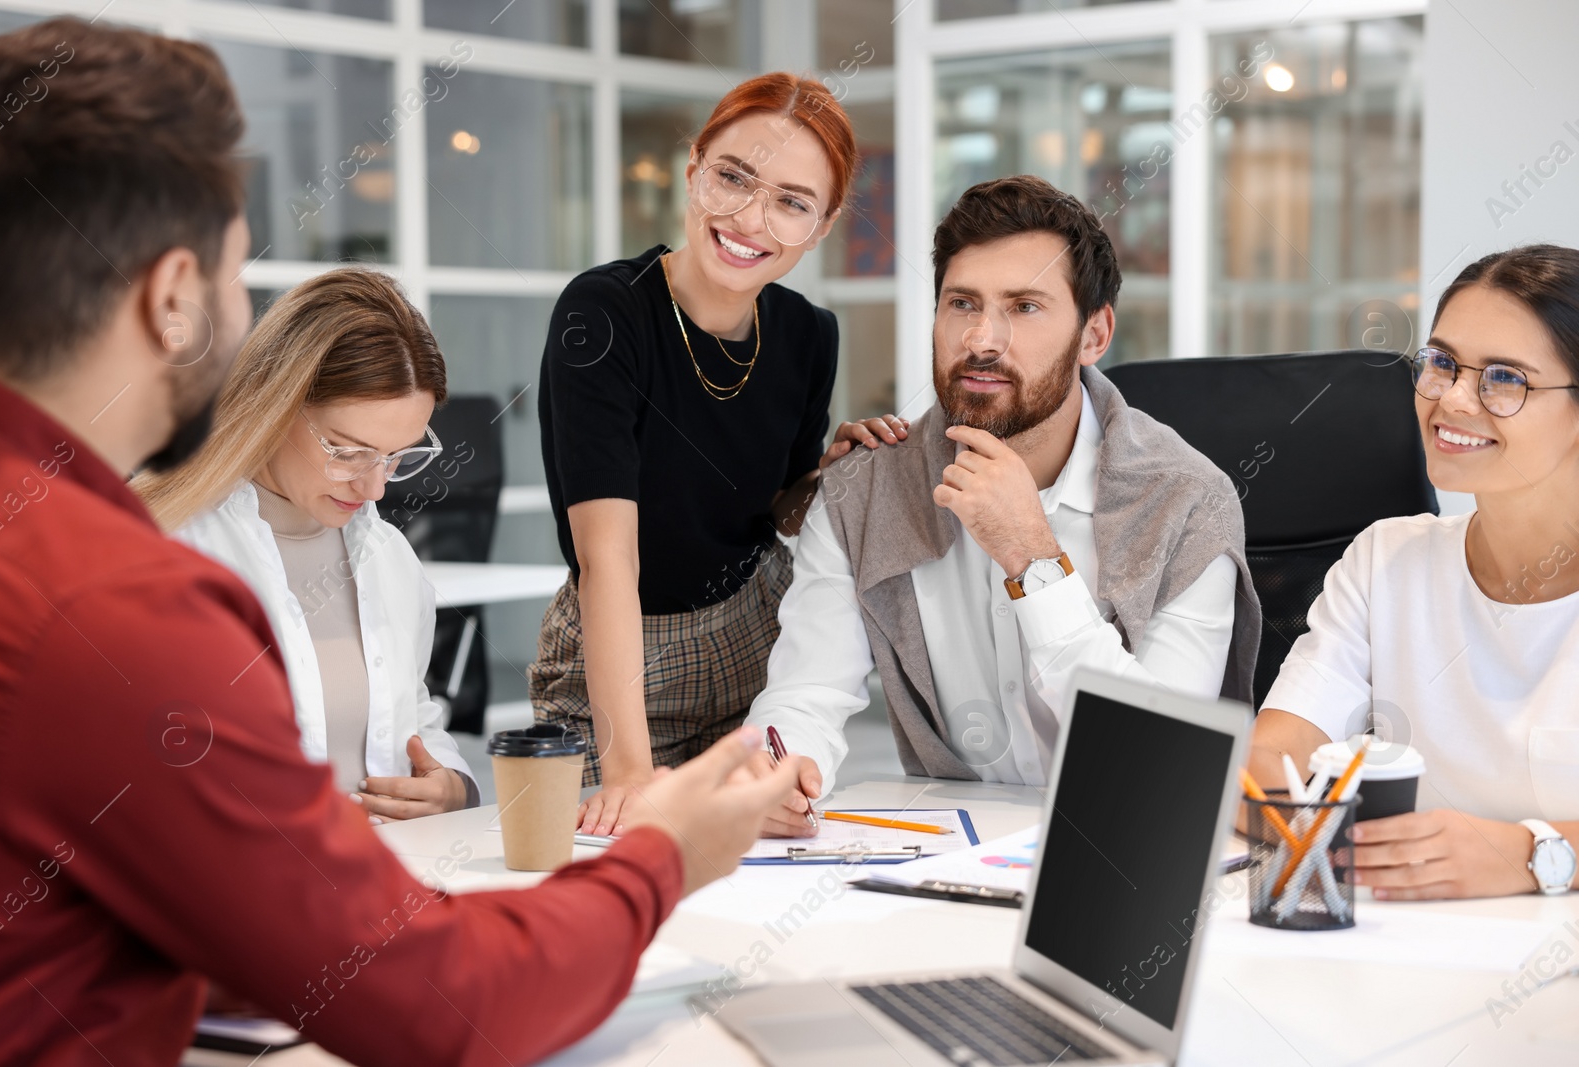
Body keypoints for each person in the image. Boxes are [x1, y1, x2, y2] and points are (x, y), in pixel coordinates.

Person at [0, 17, 802, 1064]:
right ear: (173, 296)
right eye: (239, 275)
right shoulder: (110, 602)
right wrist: (660, 857)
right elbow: (441, 1004)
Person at [745, 175, 1263, 834]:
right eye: (962, 302)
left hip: (1121, 871)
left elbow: (1160, 768)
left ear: (1094, 334)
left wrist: (1034, 558)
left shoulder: (1187, 503)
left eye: (1024, 307)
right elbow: (806, 694)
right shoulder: (863, 490)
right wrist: (779, 772)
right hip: (938, 867)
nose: (983, 339)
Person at [535, 71, 906, 836]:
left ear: (822, 224)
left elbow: (771, 510)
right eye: (733, 178)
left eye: (792, 202)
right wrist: (632, 772)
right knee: (620, 864)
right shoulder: (604, 313)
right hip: (622, 657)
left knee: (760, 868)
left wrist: (826, 476)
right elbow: (609, 560)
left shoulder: (808, 334)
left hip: (751, 639)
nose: (750, 217)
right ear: (694, 170)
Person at [1248, 245, 1579, 900]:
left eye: (1505, 378)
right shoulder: (1387, 560)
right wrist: (1344, 842)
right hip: (1408, 953)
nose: (1453, 399)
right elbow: (1268, 763)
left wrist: (1530, 853)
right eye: (1443, 363)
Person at [136, 268, 478, 820]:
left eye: (397, 457)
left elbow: (414, 717)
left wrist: (454, 789)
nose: (374, 488)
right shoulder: (168, 548)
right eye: (348, 452)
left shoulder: (387, 557)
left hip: (387, 877)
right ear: (276, 404)